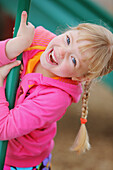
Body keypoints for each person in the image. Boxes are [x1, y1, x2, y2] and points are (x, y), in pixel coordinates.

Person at [0, 10, 113, 169]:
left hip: (15, 161)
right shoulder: (39, 39)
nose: (61, 51)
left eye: (74, 60)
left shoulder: (56, 98)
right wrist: (13, 47)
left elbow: (4, 128)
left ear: (80, 77)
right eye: (68, 40)